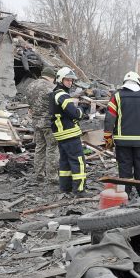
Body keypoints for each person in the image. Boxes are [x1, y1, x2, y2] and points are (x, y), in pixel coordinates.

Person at [104, 71, 140, 199]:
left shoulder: (117, 96)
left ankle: (125, 195)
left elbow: (109, 118)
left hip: (122, 141)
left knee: (124, 168)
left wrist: (108, 137)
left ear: (125, 82)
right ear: (138, 83)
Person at [50, 67, 88, 196]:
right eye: (67, 80)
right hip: (69, 133)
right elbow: (75, 114)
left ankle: (65, 188)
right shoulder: (62, 95)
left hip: (60, 133)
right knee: (78, 161)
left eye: (71, 81)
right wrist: (82, 109)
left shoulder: (54, 93)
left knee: (65, 161)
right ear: (60, 80)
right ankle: (80, 190)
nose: (70, 83)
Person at [27, 66, 59, 182]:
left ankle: (39, 174)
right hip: (49, 123)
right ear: (52, 77)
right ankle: (52, 176)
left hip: (36, 122)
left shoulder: (31, 85)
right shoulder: (52, 87)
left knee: (39, 147)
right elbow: (57, 105)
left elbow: (30, 105)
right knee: (52, 148)